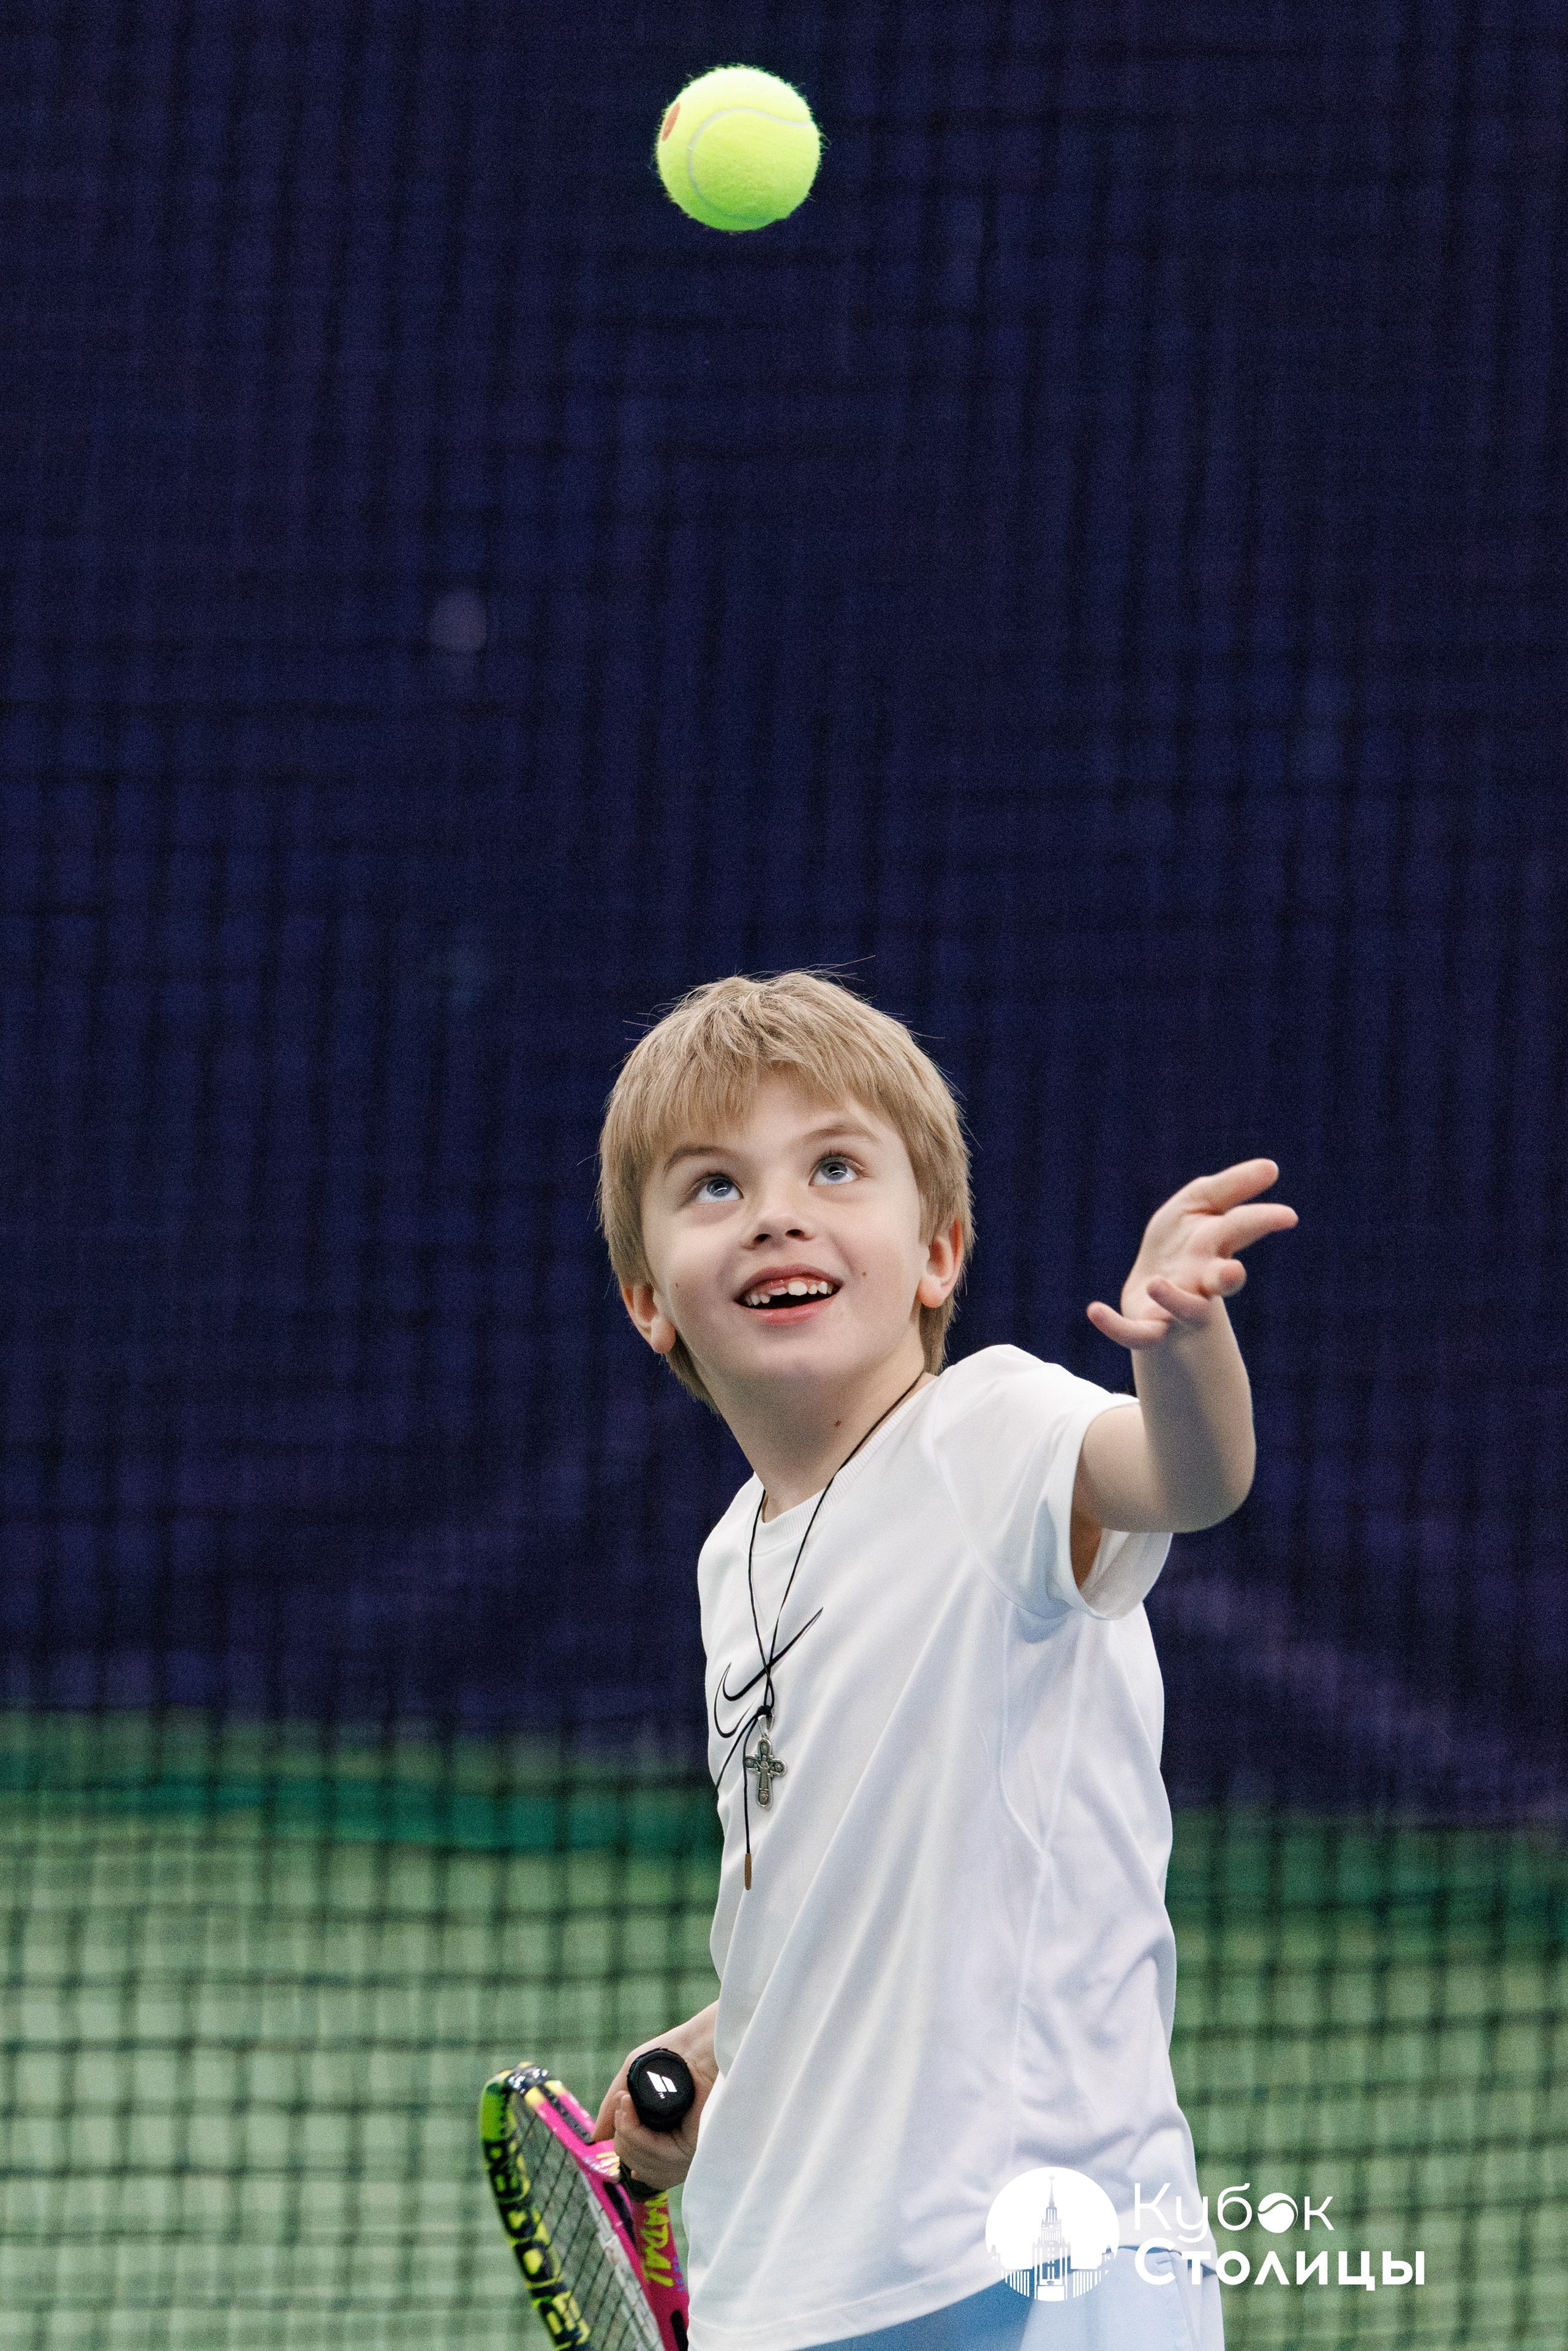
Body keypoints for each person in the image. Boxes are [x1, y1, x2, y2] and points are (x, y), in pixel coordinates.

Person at [590, 973, 1295, 2351]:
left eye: (834, 1165)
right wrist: (720, 2042)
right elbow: (836, 1887)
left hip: (1025, 2269)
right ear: (647, 1301)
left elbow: (1185, 1474)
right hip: (790, 2281)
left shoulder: (987, 1434)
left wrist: (1181, 1337)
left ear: (938, 1252)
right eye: (713, 1186)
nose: (779, 1209)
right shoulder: (730, 1555)